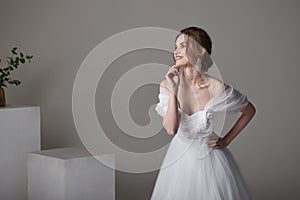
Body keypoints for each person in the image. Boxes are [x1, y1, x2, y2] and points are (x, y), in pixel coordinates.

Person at [150, 27, 256, 200]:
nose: (176, 51)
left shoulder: (217, 88)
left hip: (212, 160)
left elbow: (249, 110)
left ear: (200, 51)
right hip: (179, 161)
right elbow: (171, 129)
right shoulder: (168, 84)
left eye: (183, 45)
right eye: (175, 47)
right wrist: (173, 91)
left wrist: (226, 140)